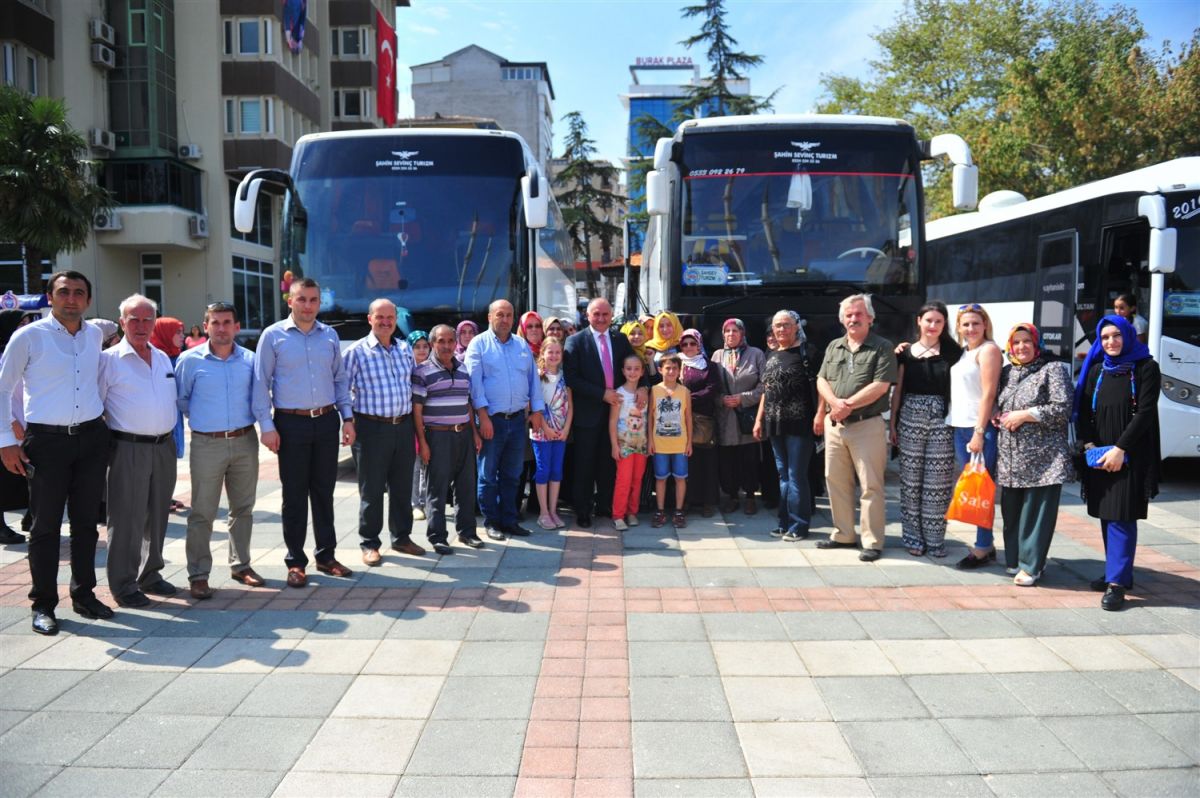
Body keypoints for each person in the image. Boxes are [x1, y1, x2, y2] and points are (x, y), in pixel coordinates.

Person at [0, 273, 113, 634]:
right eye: (63, 292)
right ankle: (43, 605)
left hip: (91, 439)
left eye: (79, 293)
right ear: (49, 296)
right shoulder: (28, 337)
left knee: (86, 525)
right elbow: (2, 389)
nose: (71, 298)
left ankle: (84, 595)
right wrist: (5, 441)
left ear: (88, 301)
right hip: (46, 443)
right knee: (46, 527)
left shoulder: (95, 334)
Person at [254, 278, 356, 588]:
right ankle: (295, 561)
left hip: (326, 421)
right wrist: (267, 427)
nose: (308, 305)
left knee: (324, 492)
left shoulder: (330, 336)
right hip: (291, 424)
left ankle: (326, 556)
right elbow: (261, 383)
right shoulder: (273, 336)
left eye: (313, 300)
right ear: (290, 301)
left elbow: (340, 380)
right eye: (302, 299)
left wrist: (347, 418)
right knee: (294, 494)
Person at [175, 301, 268, 599]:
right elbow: (182, 400)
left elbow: (259, 398)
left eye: (227, 322)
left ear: (237, 327)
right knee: (202, 511)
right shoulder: (190, 360)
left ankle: (241, 565)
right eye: (214, 322)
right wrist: (208, 421)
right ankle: (199, 574)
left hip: (244, 441)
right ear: (205, 326)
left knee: (243, 508)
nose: (221, 328)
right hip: (207, 443)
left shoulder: (252, 360)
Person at [1074, 314, 1160, 611]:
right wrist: (1089, 445)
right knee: (1107, 512)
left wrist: (1121, 449)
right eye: (1105, 337)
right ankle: (1118, 572)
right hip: (1099, 452)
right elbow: (1083, 411)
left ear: (1128, 335)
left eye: (1116, 336)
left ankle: (1117, 585)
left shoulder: (1145, 367)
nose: (1111, 342)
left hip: (1130, 452)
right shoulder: (1097, 369)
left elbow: (1145, 412)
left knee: (1122, 515)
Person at [99, 295, 181, 608]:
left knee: (157, 515)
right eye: (134, 319)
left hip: (163, 447)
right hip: (127, 447)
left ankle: (151, 574)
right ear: (122, 323)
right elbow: (96, 407)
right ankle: (123, 583)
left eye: (148, 319)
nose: (141, 325)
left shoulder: (161, 358)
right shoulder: (108, 360)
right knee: (126, 517)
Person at [816, 294, 898, 561]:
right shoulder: (834, 346)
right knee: (836, 481)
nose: (853, 318)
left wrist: (846, 404)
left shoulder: (882, 346)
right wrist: (832, 405)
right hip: (835, 426)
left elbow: (881, 385)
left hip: (867, 426)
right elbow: (821, 380)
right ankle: (843, 534)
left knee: (870, 485)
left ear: (870, 318)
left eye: (859, 314)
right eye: (848, 315)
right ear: (842, 319)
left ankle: (872, 541)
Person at [994, 323, 1075, 586]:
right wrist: (999, 416)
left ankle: (1032, 566)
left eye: (1027, 341)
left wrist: (1026, 415)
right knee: (1012, 511)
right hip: (1010, 457)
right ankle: (1016, 561)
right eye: (1016, 342)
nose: (1021, 347)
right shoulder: (1007, 372)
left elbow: (1063, 408)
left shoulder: (1053, 370)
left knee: (1037, 514)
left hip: (1044, 458)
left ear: (1036, 344)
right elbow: (1000, 403)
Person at [343, 298, 420, 566]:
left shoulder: (403, 350)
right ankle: (369, 543)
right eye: (380, 317)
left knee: (402, 486)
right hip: (370, 428)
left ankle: (402, 537)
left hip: (403, 425)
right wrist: (347, 421)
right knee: (372, 489)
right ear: (370, 319)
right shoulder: (356, 352)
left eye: (390, 317)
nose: (386, 322)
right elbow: (341, 389)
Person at [465, 299, 545, 540]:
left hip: (518, 421)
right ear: (490, 317)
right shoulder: (478, 345)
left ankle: (510, 520)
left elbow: (533, 382)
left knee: (513, 474)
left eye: (509, 315)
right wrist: (482, 416)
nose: (505, 319)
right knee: (488, 475)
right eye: (500, 314)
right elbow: (474, 385)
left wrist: (538, 412)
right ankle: (492, 522)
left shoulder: (521, 345)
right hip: (492, 420)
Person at [889, 302, 961, 557]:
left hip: (942, 420)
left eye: (938, 321)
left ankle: (935, 539)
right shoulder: (905, 353)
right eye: (928, 320)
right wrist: (893, 424)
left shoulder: (954, 352)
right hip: (910, 418)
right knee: (910, 483)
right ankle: (912, 537)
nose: (933, 326)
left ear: (944, 324)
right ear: (919, 321)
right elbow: (898, 390)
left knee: (938, 483)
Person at [563, 298, 637, 527]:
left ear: (612, 314)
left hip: (617, 414)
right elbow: (572, 378)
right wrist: (601, 394)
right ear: (587, 314)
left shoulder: (620, 339)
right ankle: (583, 510)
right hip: (588, 413)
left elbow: (635, 365)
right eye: (597, 314)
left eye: (606, 314)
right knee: (584, 463)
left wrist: (642, 387)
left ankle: (604, 505)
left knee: (608, 462)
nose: (602, 318)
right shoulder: (575, 341)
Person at [413, 325, 484, 554]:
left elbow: (468, 403)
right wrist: (423, 442)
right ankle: (438, 537)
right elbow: (416, 410)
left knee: (466, 487)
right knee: (437, 488)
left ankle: (467, 532)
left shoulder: (463, 369)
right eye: (441, 341)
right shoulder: (422, 372)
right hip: (437, 436)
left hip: (463, 433)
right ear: (433, 343)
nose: (446, 346)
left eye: (450, 341)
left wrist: (474, 433)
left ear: (456, 343)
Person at [753, 310, 820, 541]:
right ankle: (784, 522)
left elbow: (820, 387)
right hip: (775, 424)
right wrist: (759, 419)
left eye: (786, 325)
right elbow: (766, 390)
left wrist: (820, 415)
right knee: (783, 476)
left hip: (799, 424)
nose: (781, 330)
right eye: (777, 326)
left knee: (796, 475)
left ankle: (799, 526)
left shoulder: (808, 352)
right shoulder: (771, 353)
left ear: (796, 326)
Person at [948, 303, 1003, 569]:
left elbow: (988, 394)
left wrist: (980, 432)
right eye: (965, 324)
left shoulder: (988, 350)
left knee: (982, 488)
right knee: (974, 487)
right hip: (960, 426)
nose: (971, 328)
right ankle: (987, 543)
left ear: (985, 325)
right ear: (958, 327)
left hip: (977, 428)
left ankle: (982, 548)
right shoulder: (963, 353)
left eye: (976, 324)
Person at [713, 318, 766, 515]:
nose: (730, 335)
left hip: (747, 417)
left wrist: (743, 398)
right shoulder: (717, 356)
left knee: (749, 459)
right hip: (726, 418)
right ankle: (732, 496)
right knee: (728, 460)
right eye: (727, 331)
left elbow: (765, 385)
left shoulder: (756, 354)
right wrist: (721, 399)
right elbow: (711, 386)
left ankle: (751, 496)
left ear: (742, 333)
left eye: (735, 331)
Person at [0, 310, 38, 545]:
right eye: (20, 323)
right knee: (4, 480)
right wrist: (10, 422)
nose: (25, 328)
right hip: (7, 429)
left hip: (24, 425)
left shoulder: (23, 350)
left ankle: (30, 516)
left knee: (28, 476)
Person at [679, 328, 722, 517]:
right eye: (685, 344)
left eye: (692, 343)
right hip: (680, 419)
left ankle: (707, 502)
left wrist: (687, 398)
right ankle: (687, 500)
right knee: (686, 463)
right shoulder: (676, 363)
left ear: (699, 344)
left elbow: (712, 389)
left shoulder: (709, 365)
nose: (689, 347)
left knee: (707, 461)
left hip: (703, 419)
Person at [531, 336, 571, 530]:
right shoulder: (538, 376)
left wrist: (566, 430)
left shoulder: (565, 376)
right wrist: (546, 427)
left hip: (560, 432)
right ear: (543, 354)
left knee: (556, 470)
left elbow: (570, 406)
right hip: (541, 431)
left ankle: (554, 510)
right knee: (543, 469)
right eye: (550, 352)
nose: (554, 355)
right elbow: (533, 405)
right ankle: (543, 512)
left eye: (557, 352)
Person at [149, 316, 188, 512]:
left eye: (182, 332)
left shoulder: (178, 357)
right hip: (158, 420)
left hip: (174, 417)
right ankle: (157, 498)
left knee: (169, 459)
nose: (182, 336)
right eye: (177, 332)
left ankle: (166, 496)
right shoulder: (154, 357)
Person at [649, 353, 691, 528]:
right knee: (661, 478)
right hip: (659, 443)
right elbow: (650, 417)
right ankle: (660, 510)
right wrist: (650, 440)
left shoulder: (685, 391)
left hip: (680, 443)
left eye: (675, 368)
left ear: (680, 371)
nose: (671, 371)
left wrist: (689, 442)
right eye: (668, 368)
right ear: (660, 370)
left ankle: (679, 511)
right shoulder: (654, 390)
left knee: (680, 478)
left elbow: (688, 417)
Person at [610, 354, 649, 531]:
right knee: (623, 480)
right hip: (624, 444)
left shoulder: (645, 394)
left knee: (637, 479)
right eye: (629, 368)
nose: (632, 372)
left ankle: (632, 512)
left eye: (636, 369)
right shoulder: (619, 394)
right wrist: (614, 445)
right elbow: (612, 421)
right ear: (623, 371)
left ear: (642, 372)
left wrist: (650, 442)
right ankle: (618, 515)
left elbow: (649, 419)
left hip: (641, 444)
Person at [408, 330, 432, 521]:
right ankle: (415, 503)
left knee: (428, 464)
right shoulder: (407, 369)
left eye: (425, 346)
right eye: (417, 347)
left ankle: (425, 501)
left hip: (431, 422)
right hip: (411, 423)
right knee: (415, 465)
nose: (422, 350)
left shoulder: (433, 367)